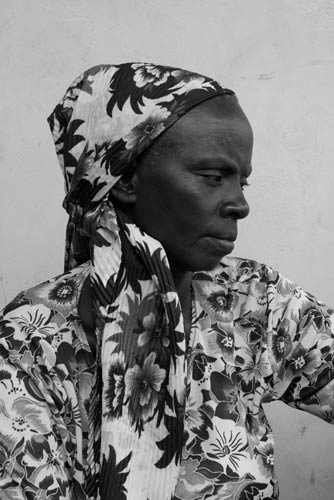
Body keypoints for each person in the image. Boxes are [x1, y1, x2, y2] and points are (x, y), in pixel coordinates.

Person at [0, 62, 333, 500]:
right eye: (213, 177)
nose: (239, 204)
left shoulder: (252, 300)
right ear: (125, 179)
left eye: (242, 180)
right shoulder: (29, 342)